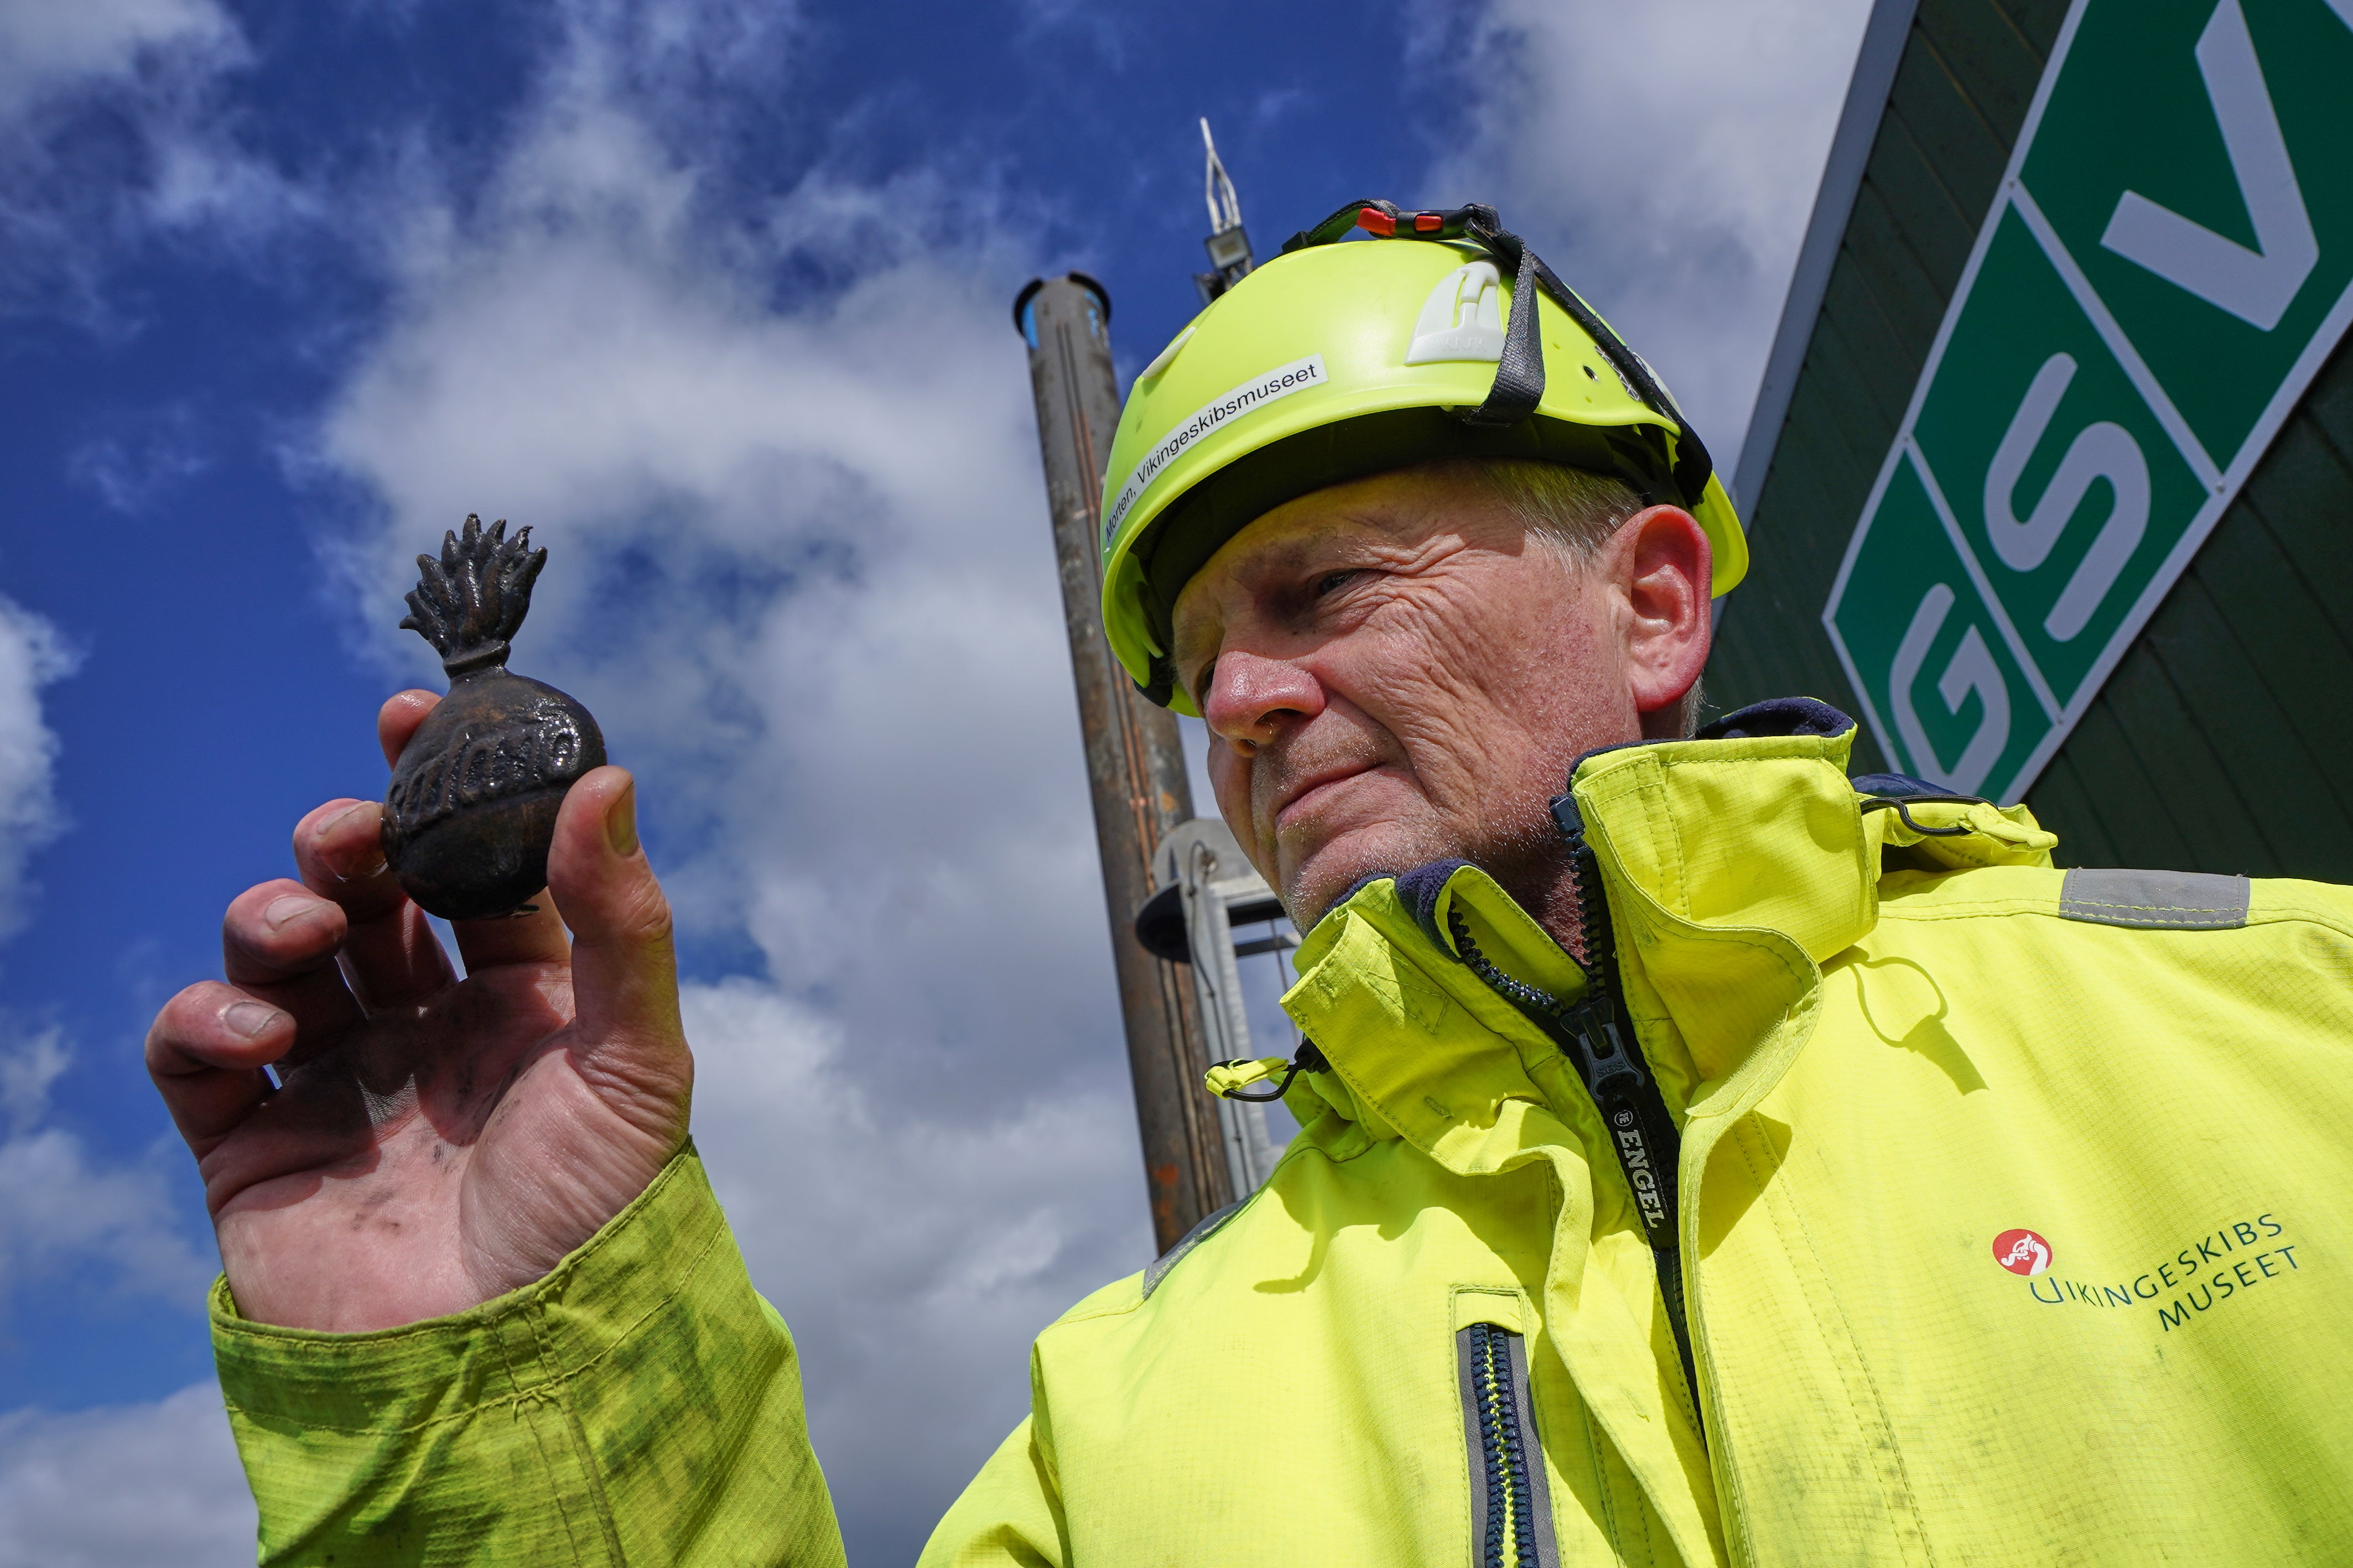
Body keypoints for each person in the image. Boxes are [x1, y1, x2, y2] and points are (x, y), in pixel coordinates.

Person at [149, 200, 2353, 1566]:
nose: (1249, 708)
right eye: (1200, 666)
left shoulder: (2284, 1027)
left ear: (1656, 603)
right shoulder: (1132, 1420)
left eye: (1326, 589)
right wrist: (515, 1411)